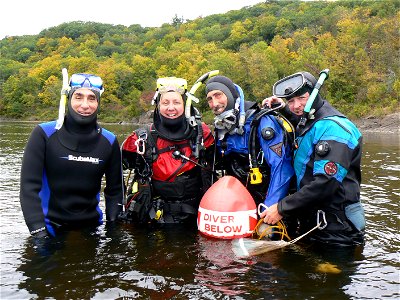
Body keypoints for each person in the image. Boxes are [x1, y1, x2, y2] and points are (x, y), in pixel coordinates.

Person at [261, 70, 365, 246]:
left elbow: (326, 183)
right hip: (317, 222)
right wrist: (281, 107)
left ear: (315, 94)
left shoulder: (334, 129)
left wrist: (281, 208)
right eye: (291, 101)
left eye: (302, 98)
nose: (296, 106)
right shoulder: (309, 118)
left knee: (332, 272)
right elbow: (302, 122)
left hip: (339, 230)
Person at [20, 73, 124, 239]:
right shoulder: (44, 134)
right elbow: (29, 187)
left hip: (91, 230)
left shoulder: (109, 141)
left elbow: (115, 191)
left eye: (92, 98)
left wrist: (113, 232)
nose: (85, 105)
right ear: (68, 99)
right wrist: (38, 231)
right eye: (78, 97)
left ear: (98, 102)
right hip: (48, 229)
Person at [120, 77, 214, 226]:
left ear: (185, 104)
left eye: (176, 102)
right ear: (158, 105)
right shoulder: (140, 139)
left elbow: (222, 166)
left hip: (197, 220)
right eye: (165, 102)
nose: (171, 108)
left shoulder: (202, 134)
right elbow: (114, 172)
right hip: (155, 221)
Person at [205, 75, 294, 209]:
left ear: (231, 95)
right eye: (210, 99)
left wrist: (268, 208)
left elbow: (282, 167)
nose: (215, 103)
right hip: (239, 204)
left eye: (218, 95)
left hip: (269, 202)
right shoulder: (222, 129)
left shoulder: (262, 122)